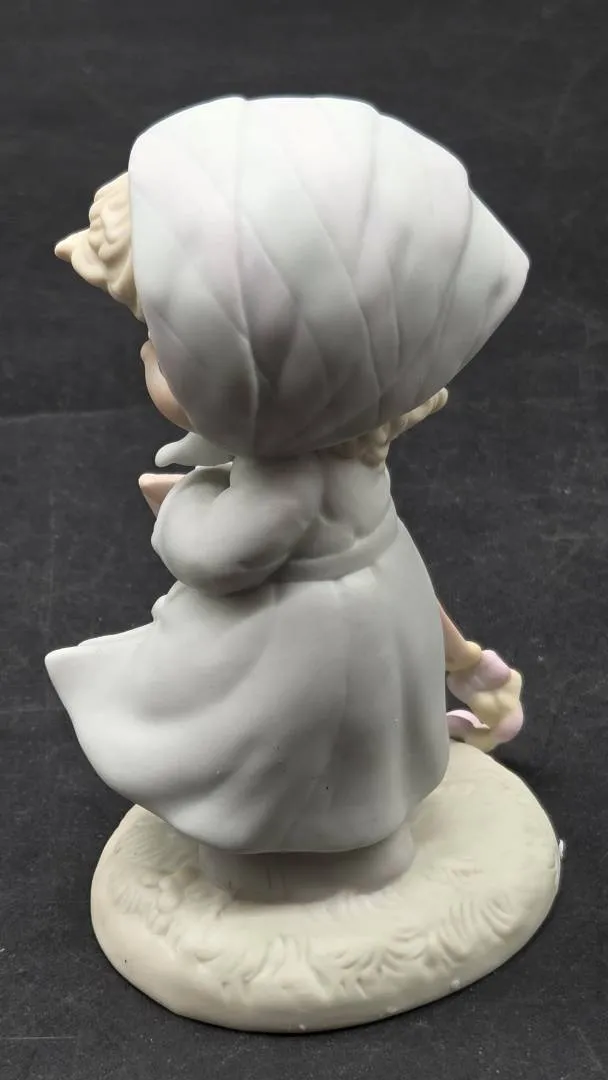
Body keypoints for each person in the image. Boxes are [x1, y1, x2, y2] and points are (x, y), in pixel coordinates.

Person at [47, 96, 526, 856]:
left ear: (278, 385)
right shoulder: (354, 453)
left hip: (304, 660)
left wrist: (186, 505)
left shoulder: (287, 487)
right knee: (359, 754)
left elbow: (211, 556)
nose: (144, 355)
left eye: (165, 344)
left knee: (292, 768)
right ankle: (350, 831)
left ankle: (311, 854)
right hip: (384, 611)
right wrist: (463, 659)